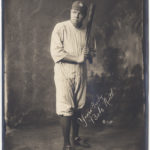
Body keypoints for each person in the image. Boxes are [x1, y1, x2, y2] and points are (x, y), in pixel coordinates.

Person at [50, 1, 95, 150]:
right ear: (70, 12)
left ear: (84, 16)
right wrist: (78, 58)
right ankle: (66, 143)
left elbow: (91, 57)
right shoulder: (60, 28)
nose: (76, 15)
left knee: (79, 107)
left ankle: (75, 138)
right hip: (64, 73)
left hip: (80, 74)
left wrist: (88, 55)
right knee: (65, 107)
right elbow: (56, 53)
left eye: (80, 13)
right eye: (74, 12)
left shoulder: (87, 31)